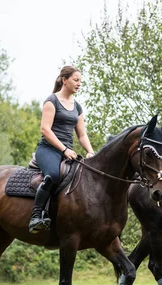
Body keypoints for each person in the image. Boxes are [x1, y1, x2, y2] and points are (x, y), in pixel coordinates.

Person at [28, 65, 96, 233]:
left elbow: (81, 135)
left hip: (68, 152)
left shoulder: (78, 107)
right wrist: (64, 150)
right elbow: (45, 130)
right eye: (76, 80)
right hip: (48, 149)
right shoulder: (52, 101)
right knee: (53, 175)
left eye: (80, 81)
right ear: (64, 80)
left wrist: (90, 151)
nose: (79, 84)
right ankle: (36, 216)